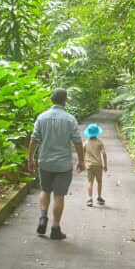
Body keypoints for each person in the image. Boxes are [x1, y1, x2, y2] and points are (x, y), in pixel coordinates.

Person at [28, 88, 84, 240]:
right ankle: (55, 228)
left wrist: (30, 159)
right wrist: (81, 160)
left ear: (51, 99)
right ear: (64, 101)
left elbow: (34, 139)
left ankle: (43, 217)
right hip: (63, 164)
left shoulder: (41, 118)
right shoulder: (70, 119)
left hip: (45, 162)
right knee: (59, 195)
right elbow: (78, 142)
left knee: (45, 190)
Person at [83, 124, 107, 206]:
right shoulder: (100, 142)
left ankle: (89, 199)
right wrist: (105, 165)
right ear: (97, 133)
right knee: (99, 181)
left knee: (90, 182)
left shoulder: (86, 142)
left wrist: (82, 162)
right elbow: (104, 153)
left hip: (89, 165)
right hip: (98, 165)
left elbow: (82, 153)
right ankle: (99, 197)